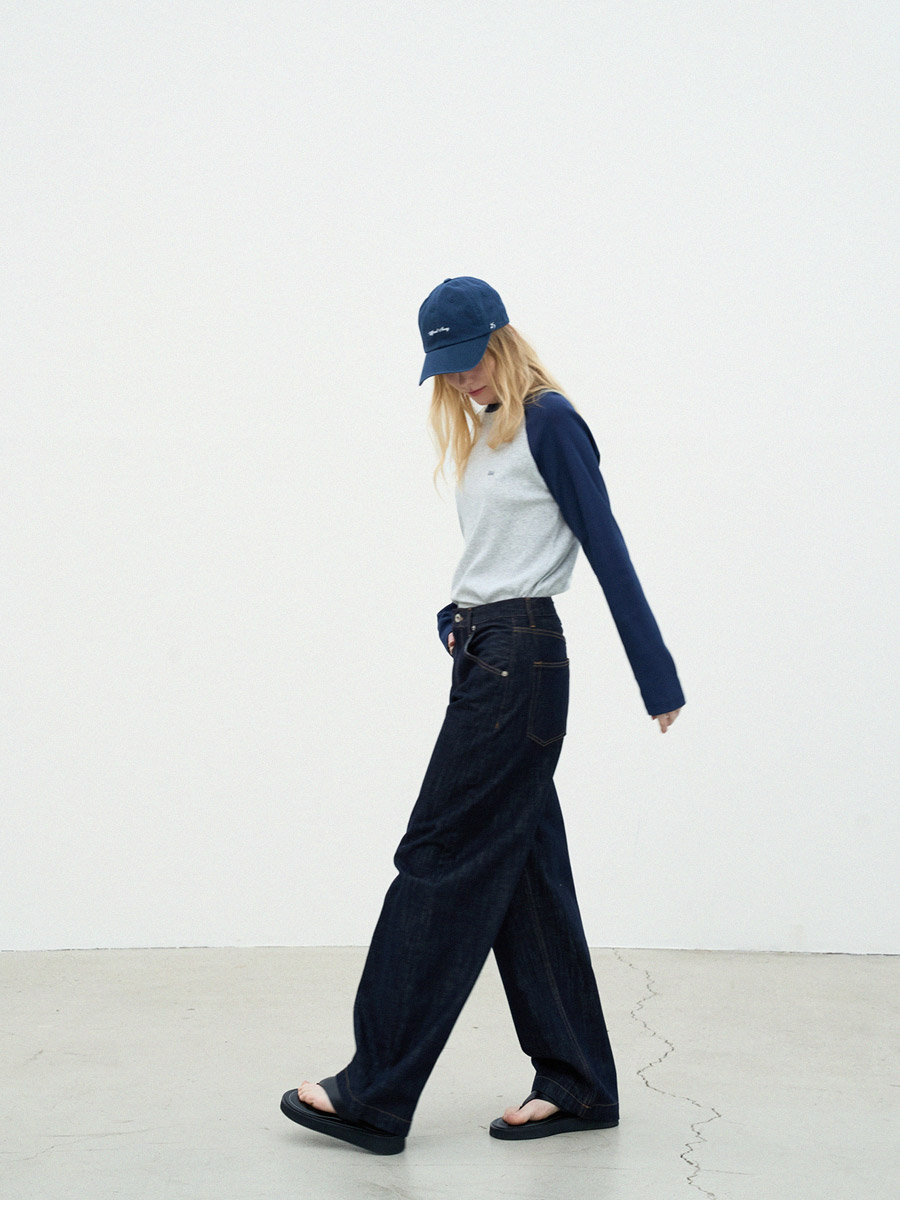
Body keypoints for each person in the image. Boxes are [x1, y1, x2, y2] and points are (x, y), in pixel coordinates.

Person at [280, 276, 685, 1156]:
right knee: (528, 877)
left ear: (503, 337)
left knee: (437, 859)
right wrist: (458, 615)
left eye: (471, 360)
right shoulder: (489, 430)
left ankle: (373, 1090)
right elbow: (499, 556)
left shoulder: (550, 420)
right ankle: (578, 1080)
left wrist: (656, 675)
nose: (463, 381)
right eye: (448, 370)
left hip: (520, 666)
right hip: (492, 655)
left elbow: (604, 543)